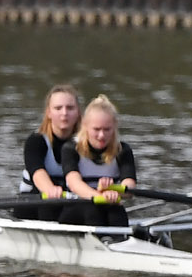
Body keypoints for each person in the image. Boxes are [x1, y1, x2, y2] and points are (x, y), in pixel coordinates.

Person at [58, 94, 137, 228]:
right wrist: (99, 195)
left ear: (114, 127)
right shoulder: (71, 148)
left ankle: (119, 243)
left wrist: (114, 191)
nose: (101, 135)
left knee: (117, 212)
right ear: (85, 126)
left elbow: (129, 186)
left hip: (108, 205)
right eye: (96, 129)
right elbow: (74, 183)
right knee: (92, 210)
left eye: (107, 129)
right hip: (76, 208)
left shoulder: (123, 150)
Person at [17, 84, 83, 221]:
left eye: (70, 108)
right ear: (49, 113)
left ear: (78, 112)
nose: (64, 113)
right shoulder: (36, 141)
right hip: (33, 200)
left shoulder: (85, 143)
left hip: (67, 201)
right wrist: (50, 189)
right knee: (48, 205)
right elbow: (37, 172)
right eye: (58, 108)